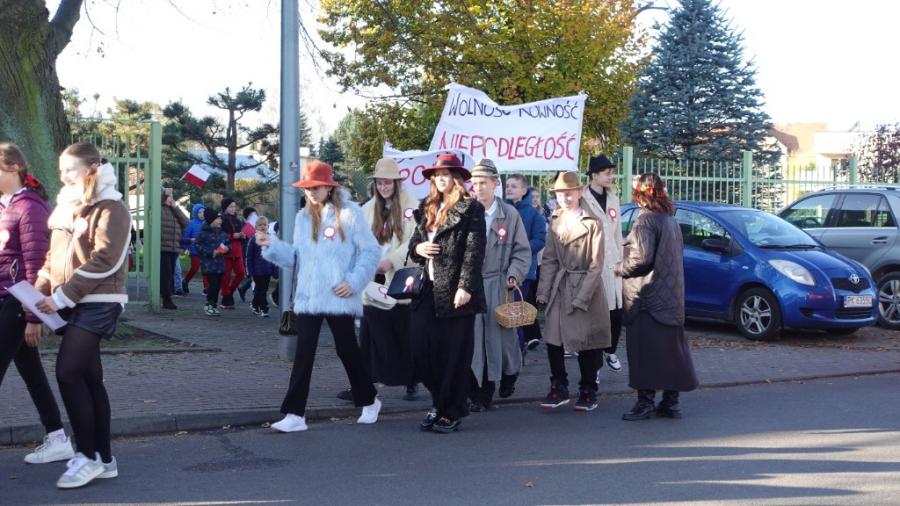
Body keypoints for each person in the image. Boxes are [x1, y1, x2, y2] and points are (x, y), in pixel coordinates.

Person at [258, 160, 382, 432]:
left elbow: (371, 251)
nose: (311, 192)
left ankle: (369, 399)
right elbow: (296, 259)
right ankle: (295, 414)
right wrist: (272, 246)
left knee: (347, 350)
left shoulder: (349, 212)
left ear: (329, 186)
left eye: (316, 187)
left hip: (339, 294)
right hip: (309, 296)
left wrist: (354, 281)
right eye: (307, 188)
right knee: (304, 352)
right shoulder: (302, 218)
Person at [35, 143, 130, 489]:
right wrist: (40, 291)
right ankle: (104, 459)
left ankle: (87, 457)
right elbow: (53, 258)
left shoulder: (112, 207)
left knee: (68, 371)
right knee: (89, 379)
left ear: (91, 168)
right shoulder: (67, 206)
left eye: (70, 170)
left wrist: (61, 296)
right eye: (61, 170)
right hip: (72, 301)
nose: (63, 176)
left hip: (101, 301)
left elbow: (106, 259)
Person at [0, 143, 74, 466]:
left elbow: (36, 264)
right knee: (31, 372)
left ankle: (58, 439)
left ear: (13, 168)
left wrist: (33, 317)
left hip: (17, 301)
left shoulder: (30, 207)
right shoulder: (6, 206)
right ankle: (57, 438)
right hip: (6, 298)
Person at [407, 153, 486, 433]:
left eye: (446, 174)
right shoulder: (426, 207)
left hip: (456, 290)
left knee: (453, 355)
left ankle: (449, 410)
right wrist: (418, 249)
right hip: (427, 289)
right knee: (420, 351)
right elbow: (413, 246)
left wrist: (465, 286)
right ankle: (439, 401)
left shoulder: (471, 208)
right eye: (437, 175)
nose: (441, 179)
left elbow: (474, 252)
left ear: (457, 178)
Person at [615, 172, 698, 421]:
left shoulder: (645, 220)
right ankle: (671, 402)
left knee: (644, 353)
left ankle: (645, 403)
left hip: (647, 299)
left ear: (639, 195)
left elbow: (641, 259)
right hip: (671, 298)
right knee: (671, 353)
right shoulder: (670, 220)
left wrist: (617, 268)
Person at [536, 171, 611, 412]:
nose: (564, 199)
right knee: (553, 337)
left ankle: (588, 388)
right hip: (561, 284)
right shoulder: (556, 220)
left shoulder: (593, 222)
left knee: (586, 340)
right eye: (560, 195)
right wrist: (543, 291)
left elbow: (596, 265)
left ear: (579, 192)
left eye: (568, 194)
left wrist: (582, 297)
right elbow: (549, 259)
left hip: (586, 286)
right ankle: (558, 386)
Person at [468, 160, 530, 410]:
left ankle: (509, 373)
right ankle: (480, 394)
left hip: (499, 284)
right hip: (471, 285)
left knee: (501, 338)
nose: (478, 188)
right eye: (475, 183)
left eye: (483, 183)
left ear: (495, 183)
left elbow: (522, 252)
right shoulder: (466, 212)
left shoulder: (510, 215)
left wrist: (514, 274)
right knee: (475, 340)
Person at [356, 158, 420, 401]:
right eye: (380, 183)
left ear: (396, 183)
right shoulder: (368, 208)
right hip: (373, 276)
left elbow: (414, 240)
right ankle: (365, 383)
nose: (383, 187)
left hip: (399, 277)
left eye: (387, 183)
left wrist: (392, 260)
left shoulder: (411, 205)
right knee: (371, 333)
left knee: (404, 334)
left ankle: (411, 380)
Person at [582, 154, 624, 373]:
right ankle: (595, 366)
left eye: (612, 173)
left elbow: (617, 234)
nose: (611, 177)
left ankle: (610, 351)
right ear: (594, 175)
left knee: (617, 313)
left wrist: (622, 262)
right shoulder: (582, 199)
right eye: (607, 173)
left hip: (614, 263)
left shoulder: (614, 199)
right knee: (599, 316)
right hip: (594, 264)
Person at [504, 174, 547, 353]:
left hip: (523, 271)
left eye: (514, 186)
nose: (509, 189)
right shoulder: (501, 210)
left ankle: (518, 349)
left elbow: (540, 240)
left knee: (517, 312)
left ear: (523, 190)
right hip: (501, 269)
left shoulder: (534, 214)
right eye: (507, 185)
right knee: (503, 312)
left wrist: (519, 248)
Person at [197, 208, 229, 317]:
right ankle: (209, 305)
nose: (220, 220)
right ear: (211, 220)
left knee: (218, 286)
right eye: (218, 218)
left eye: (220, 218)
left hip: (220, 265)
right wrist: (211, 252)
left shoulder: (222, 233)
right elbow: (198, 246)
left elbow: (228, 244)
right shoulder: (203, 233)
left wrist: (227, 249)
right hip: (209, 265)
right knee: (213, 285)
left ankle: (213, 305)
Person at [160, 187, 188, 309]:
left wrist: (175, 207)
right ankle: (166, 298)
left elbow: (185, 222)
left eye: (171, 196)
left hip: (173, 247)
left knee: (171, 273)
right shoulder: (159, 208)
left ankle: (167, 295)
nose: (170, 198)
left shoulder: (174, 209)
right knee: (165, 274)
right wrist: (163, 196)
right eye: (168, 196)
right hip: (163, 246)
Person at [245, 215, 277, 317]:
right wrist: (250, 271)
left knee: (262, 290)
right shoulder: (253, 239)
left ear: (268, 226)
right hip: (257, 271)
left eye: (264, 225)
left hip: (267, 270)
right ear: (256, 227)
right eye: (260, 225)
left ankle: (254, 304)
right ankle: (264, 309)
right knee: (262, 290)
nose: (262, 226)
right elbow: (249, 257)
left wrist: (274, 270)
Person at [219, 198, 245, 309]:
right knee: (226, 276)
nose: (233, 209)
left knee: (241, 273)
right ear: (225, 208)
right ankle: (226, 298)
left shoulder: (238, 220)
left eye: (234, 206)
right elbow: (218, 235)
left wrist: (242, 236)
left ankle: (229, 293)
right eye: (231, 207)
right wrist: (232, 236)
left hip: (237, 251)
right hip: (226, 251)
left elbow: (240, 235)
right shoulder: (221, 219)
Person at [181, 204, 206, 294]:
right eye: (199, 212)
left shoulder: (207, 223)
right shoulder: (191, 223)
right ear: (195, 213)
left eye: (203, 212)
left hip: (205, 250)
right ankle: (185, 281)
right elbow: (185, 237)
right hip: (194, 250)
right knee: (195, 267)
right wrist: (184, 247)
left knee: (205, 268)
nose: (202, 214)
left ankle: (206, 287)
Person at [237, 207, 259, 302]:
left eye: (255, 214)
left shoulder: (255, 226)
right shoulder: (246, 228)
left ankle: (244, 288)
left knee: (255, 275)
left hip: (255, 254)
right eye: (252, 215)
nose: (255, 216)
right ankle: (254, 296)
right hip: (248, 255)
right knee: (255, 275)